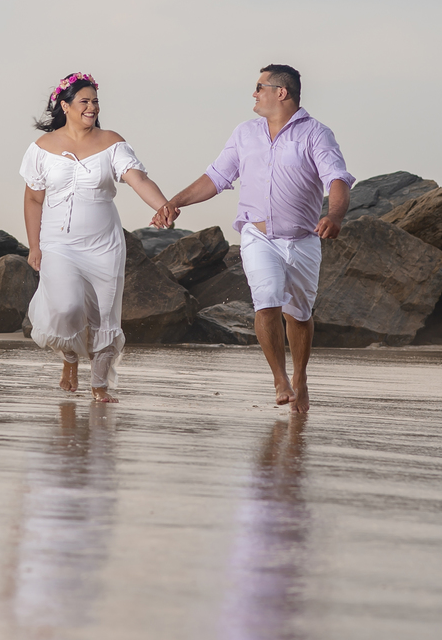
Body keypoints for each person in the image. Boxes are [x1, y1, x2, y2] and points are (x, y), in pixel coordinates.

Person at [153, 64, 353, 413]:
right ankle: (279, 377)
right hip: (257, 235)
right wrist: (174, 202)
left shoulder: (316, 134)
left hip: (302, 239)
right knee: (266, 301)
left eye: (260, 87)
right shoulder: (245, 133)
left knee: (300, 314)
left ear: (282, 92)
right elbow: (215, 177)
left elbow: (336, 179)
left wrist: (334, 215)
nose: (254, 93)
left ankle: (300, 376)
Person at [21, 72, 171, 403]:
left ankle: (99, 384)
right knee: (66, 306)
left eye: (95, 102)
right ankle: (71, 357)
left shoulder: (111, 142)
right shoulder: (42, 149)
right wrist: (34, 245)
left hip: (104, 245)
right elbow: (33, 199)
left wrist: (163, 205)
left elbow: (138, 179)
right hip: (58, 244)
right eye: (84, 101)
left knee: (105, 315)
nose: (91, 107)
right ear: (65, 105)